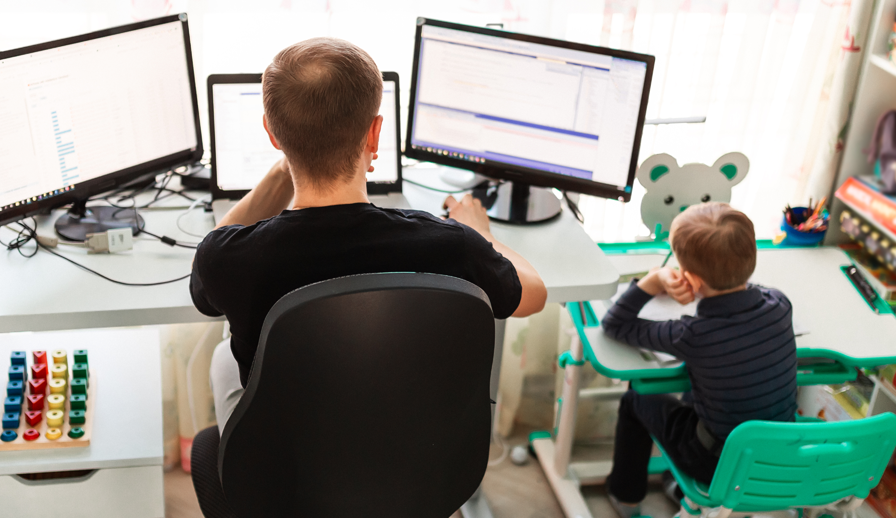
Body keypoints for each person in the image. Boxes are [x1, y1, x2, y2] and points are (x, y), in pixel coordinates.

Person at [189, 37, 547, 434]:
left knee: (224, 357)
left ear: (272, 135)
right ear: (375, 134)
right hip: (416, 458)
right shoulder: (451, 246)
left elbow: (204, 290)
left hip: (289, 475)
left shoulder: (228, 258)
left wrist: (284, 166)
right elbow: (534, 294)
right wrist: (482, 233)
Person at [600, 202, 797, 517]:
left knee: (636, 398)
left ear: (690, 279)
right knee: (701, 388)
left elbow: (615, 325)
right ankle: (673, 483)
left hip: (717, 465)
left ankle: (625, 496)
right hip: (778, 454)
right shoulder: (780, 305)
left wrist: (653, 280)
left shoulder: (692, 334)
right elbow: (753, 291)